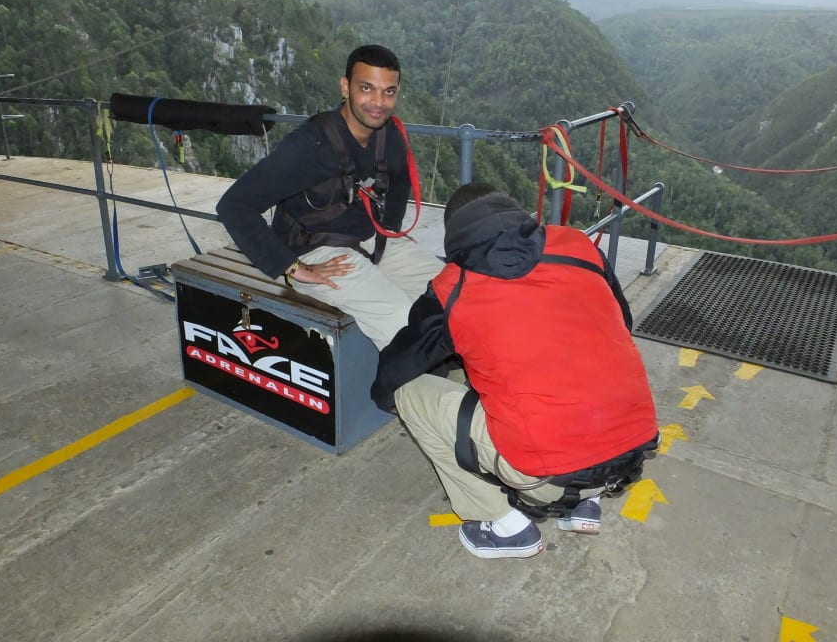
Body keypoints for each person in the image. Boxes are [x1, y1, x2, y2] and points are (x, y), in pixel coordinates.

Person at [371, 182, 659, 559]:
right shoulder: (578, 245)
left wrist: (383, 397)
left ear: (454, 237)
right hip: (631, 451)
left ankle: (503, 525)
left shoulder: (451, 286)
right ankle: (585, 503)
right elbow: (622, 320)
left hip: (548, 476)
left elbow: (400, 365)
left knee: (409, 394)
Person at [216, 44, 443, 350]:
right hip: (314, 251)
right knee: (401, 320)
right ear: (345, 87)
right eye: (367, 89)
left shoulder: (389, 137)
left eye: (388, 92)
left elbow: (400, 182)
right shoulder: (311, 145)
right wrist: (293, 268)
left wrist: (388, 231)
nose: (379, 102)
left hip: (369, 239)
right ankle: (397, 393)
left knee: (452, 291)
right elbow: (234, 205)